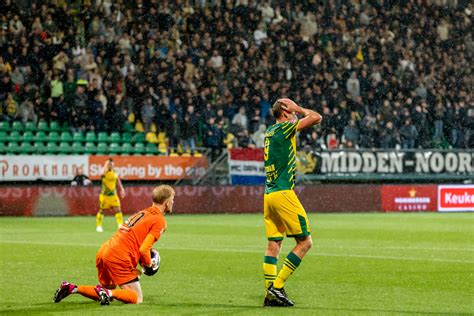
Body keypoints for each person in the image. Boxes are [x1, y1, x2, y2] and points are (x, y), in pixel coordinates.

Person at [53, 185, 175, 305]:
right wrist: (149, 265)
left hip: (105, 251)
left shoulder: (143, 213)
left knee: (108, 293)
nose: (173, 202)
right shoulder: (159, 220)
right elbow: (144, 249)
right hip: (119, 256)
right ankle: (106, 292)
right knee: (137, 298)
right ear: (167, 203)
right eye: (172, 200)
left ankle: (72, 288)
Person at [262, 98, 322, 307]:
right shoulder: (284, 128)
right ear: (286, 113)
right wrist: (300, 108)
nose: (296, 115)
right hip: (283, 194)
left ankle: (270, 294)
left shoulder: (270, 132)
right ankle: (276, 287)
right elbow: (316, 117)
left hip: (269, 195)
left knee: (273, 244)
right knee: (305, 242)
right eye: (293, 111)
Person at [96, 158, 126, 232]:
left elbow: (118, 180)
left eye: (111, 164)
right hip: (105, 195)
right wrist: (105, 165)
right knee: (102, 210)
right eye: (109, 164)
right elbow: (101, 175)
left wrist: (122, 189)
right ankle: (99, 226)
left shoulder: (115, 172)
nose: (110, 166)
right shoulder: (104, 172)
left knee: (118, 209)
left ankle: (120, 225)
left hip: (113, 195)